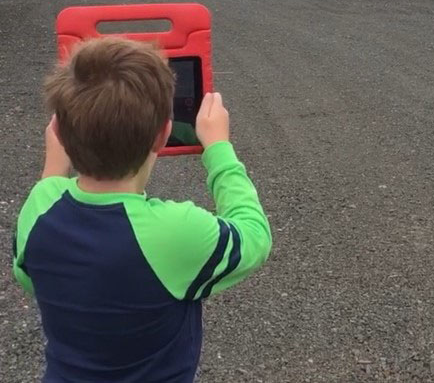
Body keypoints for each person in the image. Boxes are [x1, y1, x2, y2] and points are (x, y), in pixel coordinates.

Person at [12, 37, 272, 383]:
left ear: (57, 130)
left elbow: (30, 277)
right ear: (163, 133)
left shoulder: (39, 210)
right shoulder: (175, 230)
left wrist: (53, 166)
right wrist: (220, 149)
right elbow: (254, 236)